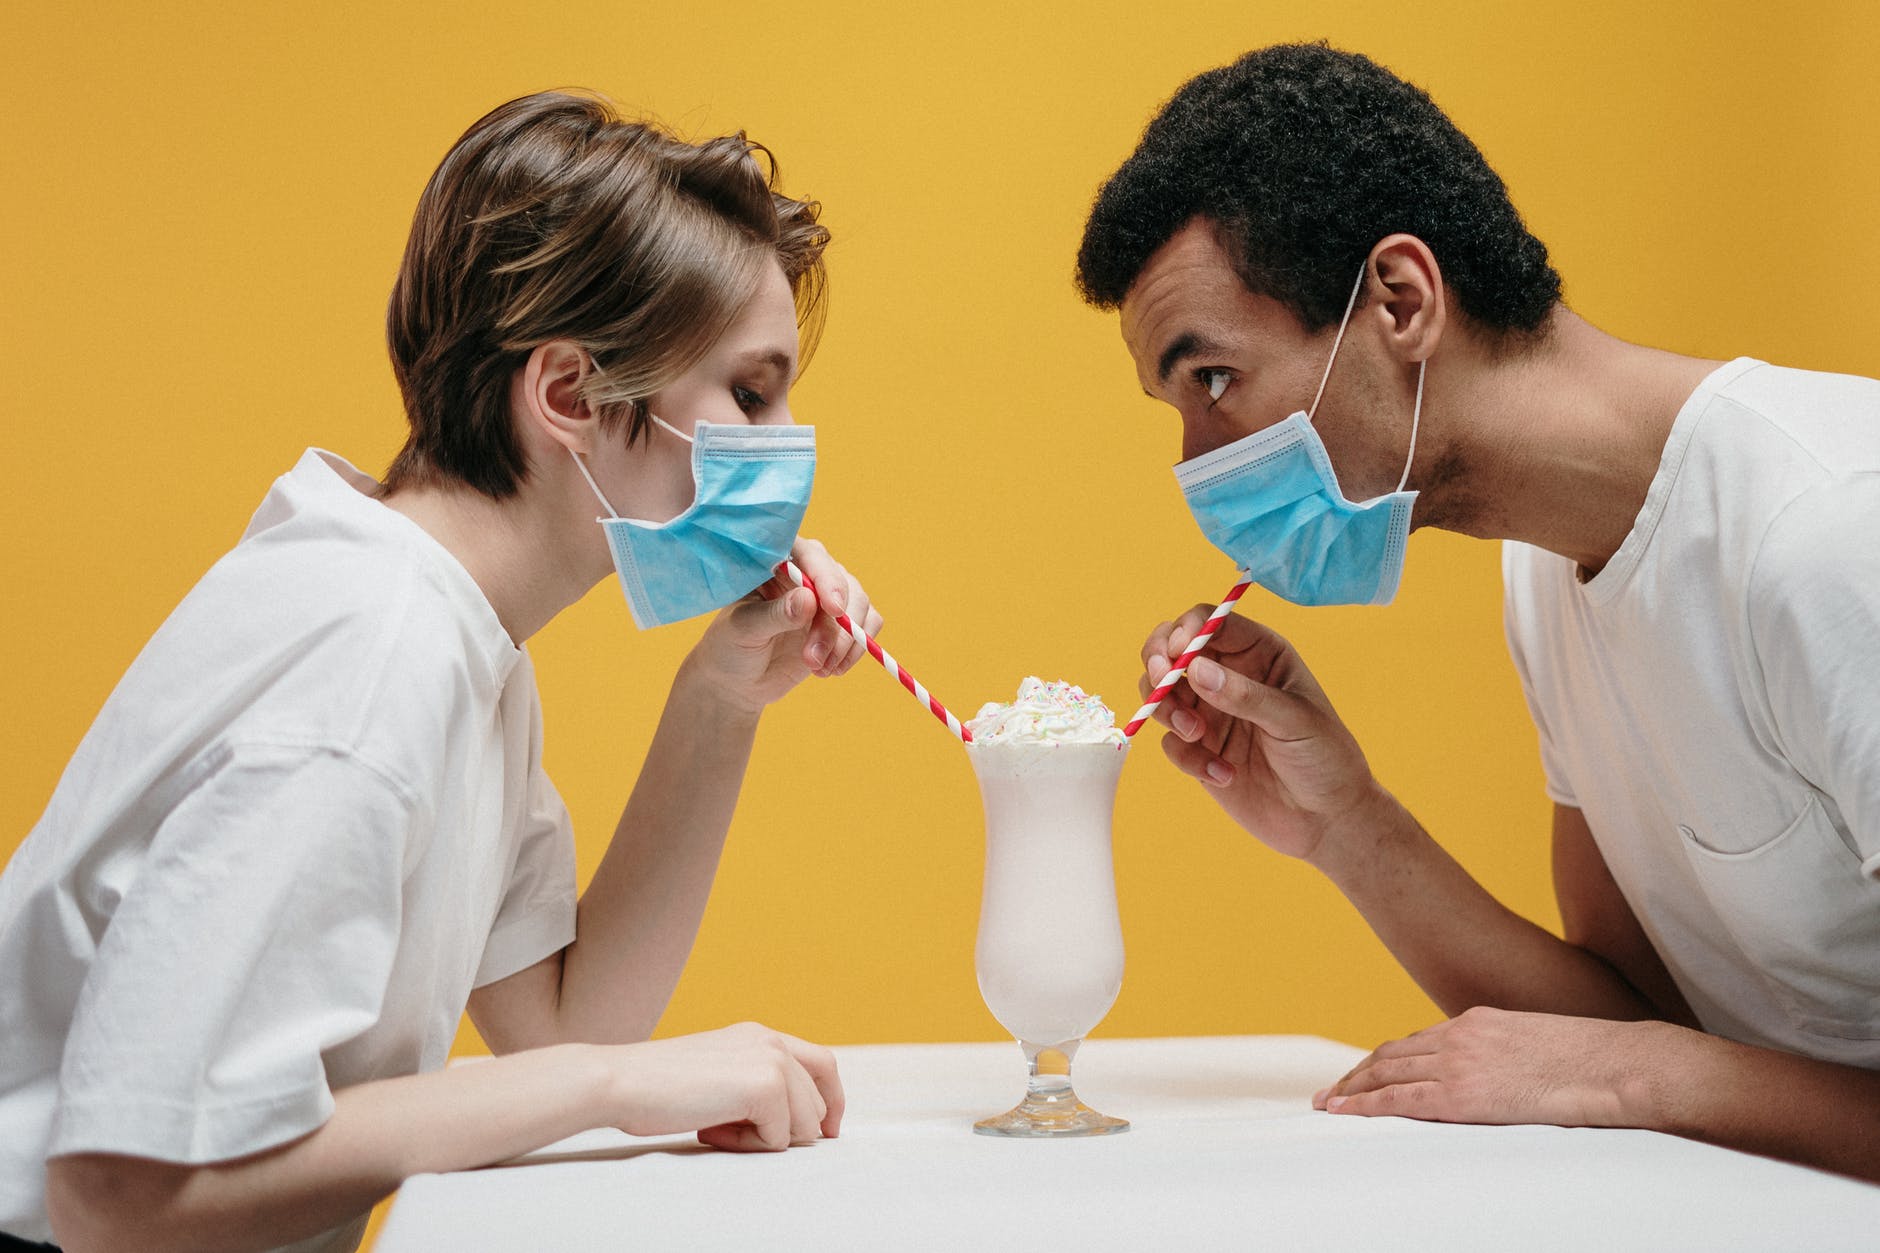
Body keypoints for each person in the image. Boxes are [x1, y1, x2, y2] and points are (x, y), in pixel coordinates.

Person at [0, 91, 875, 1253]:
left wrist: (720, 698)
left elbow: (565, 1022)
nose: (781, 442)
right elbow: (119, 1196)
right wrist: (611, 1092)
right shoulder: (368, 661)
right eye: (750, 393)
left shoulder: (456, 637)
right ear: (567, 394)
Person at [1075, 43, 1880, 1180]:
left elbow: (1627, 1056)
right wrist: (1343, 821)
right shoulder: (1547, 573)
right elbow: (1625, 1010)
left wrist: (1635, 1078)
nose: (1196, 460)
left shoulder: (1833, 534)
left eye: (1209, 379)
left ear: (1399, 301)